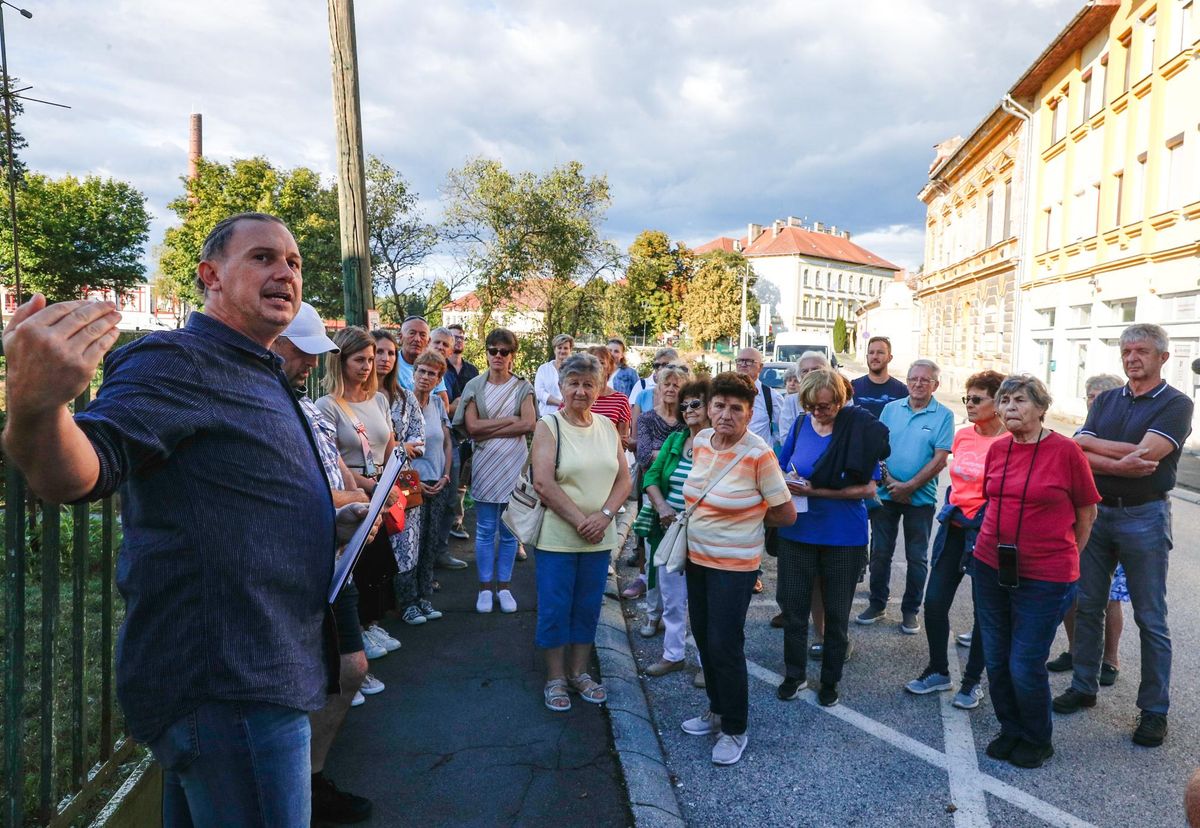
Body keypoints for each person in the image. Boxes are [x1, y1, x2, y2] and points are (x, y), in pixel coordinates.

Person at [1, 212, 374, 825]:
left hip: (257, 670)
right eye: (262, 258)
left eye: (294, 263)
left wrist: (319, 522)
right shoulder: (178, 360)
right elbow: (85, 470)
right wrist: (38, 406)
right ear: (211, 276)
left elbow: (230, 491)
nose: (285, 271)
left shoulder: (257, 368)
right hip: (228, 683)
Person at [1054, 324, 1194, 749]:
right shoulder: (1109, 398)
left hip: (1145, 515)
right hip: (1097, 514)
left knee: (1151, 618)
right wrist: (1121, 458)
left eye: (1143, 351)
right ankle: (1084, 685)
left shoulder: (1177, 403)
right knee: (1089, 604)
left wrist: (1101, 451)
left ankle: (1154, 711)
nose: (1133, 358)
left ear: (1162, 358)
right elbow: (1077, 445)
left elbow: (1150, 456)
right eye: (1127, 350)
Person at [273, 304, 372, 822]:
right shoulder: (266, 408)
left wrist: (360, 497)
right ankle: (298, 789)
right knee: (323, 675)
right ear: (271, 342)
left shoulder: (303, 406)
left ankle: (309, 780)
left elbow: (334, 473)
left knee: (349, 669)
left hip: (335, 560)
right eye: (302, 351)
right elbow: (295, 493)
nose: (312, 363)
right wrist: (351, 505)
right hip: (299, 565)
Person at [973, 375, 1099, 769]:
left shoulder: (1066, 452)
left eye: (1020, 400)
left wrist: (1065, 557)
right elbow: (991, 501)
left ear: (1042, 408)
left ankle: (1036, 737)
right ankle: (1010, 728)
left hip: (1045, 576)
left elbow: (1086, 512)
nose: (1009, 407)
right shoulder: (998, 450)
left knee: (1024, 663)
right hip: (990, 566)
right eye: (1004, 400)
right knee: (995, 658)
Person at [679, 373, 796, 767]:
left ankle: (734, 727)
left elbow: (786, 512)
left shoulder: (758, 453)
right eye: (719, 406)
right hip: (696, 559)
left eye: (736, 408)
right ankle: (715, 708)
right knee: (703, 637)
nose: (725, 414)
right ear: (708, 407)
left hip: (735, 566)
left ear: (749, 413)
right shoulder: (700, 442)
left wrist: (746, 523)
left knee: (725, 644)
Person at [774, 368, 888, 708]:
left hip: (843, 536)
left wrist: (817, 490)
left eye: (827, 406)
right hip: (798, 531)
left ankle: (830, 680)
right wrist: (787, 480)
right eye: (813, 406)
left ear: (840, 400)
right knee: (793, 608)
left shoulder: (857, 429)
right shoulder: (800, 425)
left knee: (837, 615)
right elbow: (780, 466)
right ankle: (794, 675)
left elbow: (868, 487)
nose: (820, 413)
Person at [530, 353, 632, 711]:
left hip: (599, 537)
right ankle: (556, 677)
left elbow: (624, 478)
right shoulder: (549, 425)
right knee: (556, 607)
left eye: (589, 384)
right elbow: (542, 482)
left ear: (600, 388)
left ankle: (579, 672)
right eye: (573, 383)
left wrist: (604, 516)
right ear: (561, 386)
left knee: (587, 607)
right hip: (558, 537)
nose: (580, 390)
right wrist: (580, 520)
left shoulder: (606, 426)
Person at [904, 370, 1006, 710]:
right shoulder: (963, 437)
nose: (970, 405)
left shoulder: (1008, 441)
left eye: (978, 399)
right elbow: (957, 482)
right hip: (956, 526)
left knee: (985, 611)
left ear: (998, 402)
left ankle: (972, 682)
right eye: (967, 399)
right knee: (934, 603)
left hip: (987, 532)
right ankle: (938, 670)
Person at [319, 328, 406, 661]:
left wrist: (393, 482)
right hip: (355, 494)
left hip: (383, 490)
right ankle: (358, 630)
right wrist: (372, 487)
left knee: (380, 562)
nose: (368, 366)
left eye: (371, 359)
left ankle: (371, 623)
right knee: (361, 562)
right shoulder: (327, 406)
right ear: (340, 360)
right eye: (360, 359)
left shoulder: (380, 399)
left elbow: (390, 444)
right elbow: (332, 459)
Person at [858, 359, 953, 633]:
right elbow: (878, 449)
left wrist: (909, 486)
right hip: (885, 495)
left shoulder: (943, 415)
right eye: (913, 379)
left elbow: (939, 460)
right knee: (880, 553)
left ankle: (910, 611)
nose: (918, 384)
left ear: (935, 384)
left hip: (919, 499)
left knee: (917, 557)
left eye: (925, 380)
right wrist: (890, 482)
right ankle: (877, 603)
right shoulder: (890, 409)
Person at [1046, 374, 1128, 678]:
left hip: (1110, 523)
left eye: (1099, 396)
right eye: (1089, 396)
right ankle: (1076, 650)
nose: (1093, 401)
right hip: (1076, 522)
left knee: (1109, 596)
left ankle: (1110, 660)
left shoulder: (1123, 431)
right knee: (1071, 590)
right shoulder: (1083, 431)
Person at [455, 328, 537, 613]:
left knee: (509, 531)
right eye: (493, 350)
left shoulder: (523, 387)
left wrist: (489, 428)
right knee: (486, 528)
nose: (498, 356)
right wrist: (509, 421)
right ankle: (485, 588)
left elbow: (529, 425)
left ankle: (505, 587)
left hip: (514, 464)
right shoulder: (475, 386)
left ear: (513, 355)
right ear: (487, 352)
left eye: (504, 351)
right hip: (486, 464)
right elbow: (472, 427)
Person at [641, 379, 711, 677]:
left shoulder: (718, 443)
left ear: (710, 407)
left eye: (695, 403)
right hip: (669, 529)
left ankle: (708, 665)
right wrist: (662, 507)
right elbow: (651, 477)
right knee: (671, 598)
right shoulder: (675, 440)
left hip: (705, 533)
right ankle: (673, 654)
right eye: (684, 405)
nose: (688, 409)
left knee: (705, 603)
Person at [370, 329, 428, 615]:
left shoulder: (405, 397)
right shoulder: (358, 398)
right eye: (379, 352)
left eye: (390, 353)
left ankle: (408, 603)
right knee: (376, 547)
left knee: (407, 541)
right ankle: (378, 613)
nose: (384, 358)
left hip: (403, 479)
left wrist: (399, 447)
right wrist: (398, 445)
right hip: (369, 481)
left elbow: (419, 441)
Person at [395, 351, 454, 626]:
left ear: (439, 378)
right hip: (409, 481)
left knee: (429, 541)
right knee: (409, 542)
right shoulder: (401, 402)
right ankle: (406, 602)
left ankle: (423, 596)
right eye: (422, 371)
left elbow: (446, 443)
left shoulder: (438, 406)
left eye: (433, 373)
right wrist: (415, 483)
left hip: (436, 480)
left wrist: (445, 475)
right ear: (413, 372)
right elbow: (395, 446)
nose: (426, 377)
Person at [625, 364, 689, 605]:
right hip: (651, 487)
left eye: (676, 385)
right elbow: (642, 455)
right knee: (650, 542)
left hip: (681, 490)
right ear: (658, 388)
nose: (671, 389)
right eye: (667, 384)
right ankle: (652, 604)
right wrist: (675, 454)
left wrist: (657, 453)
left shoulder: (687, 418)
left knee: (679, 544)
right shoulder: (647, 418)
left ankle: (675, 603)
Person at [427, 326, 470, 570]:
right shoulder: (424, 367)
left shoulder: (445, 373)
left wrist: (452, 404)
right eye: (437, 343)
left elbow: (449, 408)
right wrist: (452, 404)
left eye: (446, 344)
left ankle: (440, 552)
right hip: (419, 444)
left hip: (446, 439)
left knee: (449, 498)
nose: (441, 348)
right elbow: (448, 405)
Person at [445, 323, 480, 540]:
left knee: (463, 480)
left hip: (468, 432)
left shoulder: (472, 370)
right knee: (449, 478)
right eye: (454, 337)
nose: (459, 341)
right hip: (447, 430)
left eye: (462, 337)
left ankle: (457, 522)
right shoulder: (441, 369)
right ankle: (446, 525)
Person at [779, 351, 831, 456]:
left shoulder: (839, 399)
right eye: (805, 371)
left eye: (816, 369)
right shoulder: (791, 402)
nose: (810, 373)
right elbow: (786, 438)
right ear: (799, 377)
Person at [734, 347, 784, 449]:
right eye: (740, 361)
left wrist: (767, 445)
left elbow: (784, 430)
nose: (743, 364)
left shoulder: (771, 397)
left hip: (758, 460)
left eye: (749, 361)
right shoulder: (725, 392)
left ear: (760, 367)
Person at [851, 336, 909, 418]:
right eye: (871, 352)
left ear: (890, 358)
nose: (875, 356)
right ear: (867, 357)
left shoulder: (903, 391)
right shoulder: (853, 387)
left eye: (880, 352)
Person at [535, 333, 574, 417]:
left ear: (570, 350)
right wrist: (560, 403)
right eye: (559, 348)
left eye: (566, 348)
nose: (562, 351)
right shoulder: (543, 369)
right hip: (545, 415)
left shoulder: (576, 370)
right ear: (554, 349)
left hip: (569, 416)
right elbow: (539, 392)